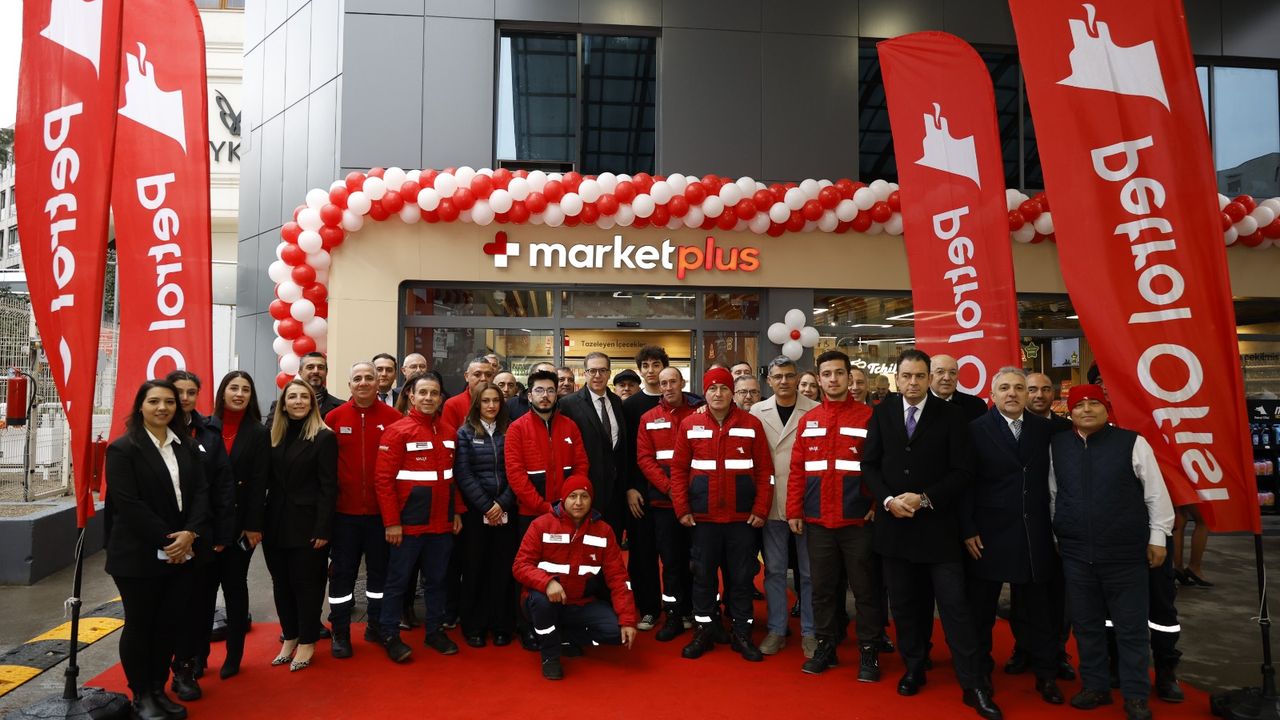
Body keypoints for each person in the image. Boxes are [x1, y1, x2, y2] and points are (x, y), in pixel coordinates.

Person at [862, 349, 999, 720]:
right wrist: (888, 500)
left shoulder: (951, 416)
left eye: (919, 376)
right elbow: (869, 464)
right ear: (897, 378)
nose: (913, 383)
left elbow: (963, 471)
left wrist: (924, 498)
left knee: (955, 607)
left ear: (929, 378)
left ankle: (974, 683)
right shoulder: (883, 412)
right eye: (906, 376)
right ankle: (914, 666)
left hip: (939, 530)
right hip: (895, 527)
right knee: (906, 606)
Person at [1049, 385, 1174, 720]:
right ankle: (1095, 686)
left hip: (1125, 553)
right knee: (1086, 625)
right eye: (1079, 405)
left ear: (1106, 408)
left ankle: (1136, 695)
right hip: (1076, 553)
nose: (1087, 410)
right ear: (1070, 412)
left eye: (1094, 403)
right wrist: (1058, 533)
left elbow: (1155, 493)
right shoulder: (1058, 445)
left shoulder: (1132, 443)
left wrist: (1158, 538)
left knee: (1131, 628)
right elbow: (1054, 493)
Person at [105, 380, 210, 720]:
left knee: (168, 624)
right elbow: (129, 505)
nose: (162, 407)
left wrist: (191, 533)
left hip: (182, 552)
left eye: (169, 401)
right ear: (140, 406)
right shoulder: (123, 449)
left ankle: (157, 689)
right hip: (137, 555)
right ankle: (141, 695)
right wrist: (170, 542)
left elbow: (201, 494)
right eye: (154, 401)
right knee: (141, 624)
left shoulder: (186, 446)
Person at [961, 368, 1064, 705]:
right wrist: (967, 528)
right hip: (986, 534)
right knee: (980, 611)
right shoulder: (975, 430)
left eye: (1019, 388)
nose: (1012, 393)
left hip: (1034, 532)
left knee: (1040, 610)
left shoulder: (1047, 429)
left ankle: (1046, 674)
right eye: (1004, 387)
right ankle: (979, 676)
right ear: (992, 394)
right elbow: (965, 484)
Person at [787, 350, 885, 680]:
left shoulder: (869, 418)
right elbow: (798, 469)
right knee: (822, 589)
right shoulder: (808, 420)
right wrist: (794, 510)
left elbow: (880, 468)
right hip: (818, 521)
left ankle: (869, 651)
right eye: (827, 374)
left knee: (866, 590)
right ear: (818, 379)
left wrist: (875, 506)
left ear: (849, 377)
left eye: (839, 373)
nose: (833, 379)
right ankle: (826, 646)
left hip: (858, 521)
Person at [670, 367, 773, 663]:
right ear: (704, 393)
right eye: (712, 389)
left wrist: (760, 509)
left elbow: (765, 471)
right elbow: (678, 470)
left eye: (724, 388)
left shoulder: (752, 424)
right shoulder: (690, 424)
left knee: (742, 578)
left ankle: (742, 633)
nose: (718, 394)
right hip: (702, 519)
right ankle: (704, 630)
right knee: (703, 578)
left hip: (742, 520)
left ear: (733, 393)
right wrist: (682, 508)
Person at [374, 372, 467, 662]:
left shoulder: (450, 432)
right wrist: (392, 522)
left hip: (441, 523)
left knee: (437, 581)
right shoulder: (397, 431)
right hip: (407, 524)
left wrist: (456, 511)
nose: (428, 398)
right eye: (423, 392)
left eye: (434, 393)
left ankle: (434, 631)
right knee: (398, 582)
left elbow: (453, 477)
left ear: (441, 398)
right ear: (411, 396)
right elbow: (383, 481)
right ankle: (389, 634)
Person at [513, 476, 638, 680]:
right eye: (573, 496)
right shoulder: (541, 525)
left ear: (591, 500)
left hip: (581, 604)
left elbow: (618, 578)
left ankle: (562, 637)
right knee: (542, 603)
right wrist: (547, 583)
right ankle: (550, 657)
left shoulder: (604, 531)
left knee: (617, 633)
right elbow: (520, 566)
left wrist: (628, 620)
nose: (578, 502)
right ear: (564, 499)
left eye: (584, 496)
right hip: (546, 601)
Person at [322, 362, 404, 659]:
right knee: (342, 576)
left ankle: (376, 626)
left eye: (370, 377)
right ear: (350, 385)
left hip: (382, 515)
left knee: (379, 576)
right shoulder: (333, 418)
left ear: (378, 382)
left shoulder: (394, 419)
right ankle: (341, 631)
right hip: (344, 515)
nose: (364, 382)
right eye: (358, 378)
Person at [505, 369, 590, 649]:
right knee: (528, 571)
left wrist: (571, 506)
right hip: (532, 516)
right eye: (539, 391)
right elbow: (516, 476)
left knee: (563, 570)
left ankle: (560, 623)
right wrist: (545, 508)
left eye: (550, 390)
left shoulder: (570, 426)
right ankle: (526, 626)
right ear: (529, 395)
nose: (545, 396)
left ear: (557, 395)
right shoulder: (517, 428)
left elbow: (581, 466)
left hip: (568, 516)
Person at [164, 370, 235, 701]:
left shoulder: (208, 433)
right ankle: (155, 672)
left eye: (191, 392)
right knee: (165, 608)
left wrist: (221, 533)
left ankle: (187, 666)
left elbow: (221, 486)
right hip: (162, 537)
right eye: (178, 392)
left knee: (198, 605)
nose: (184, 398)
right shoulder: (151, 432)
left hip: (201, 535)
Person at [264, 378, 338, 673]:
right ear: (283, 404)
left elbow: (328, 488)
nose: (297, 401)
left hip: (308, 526)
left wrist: (323, 529)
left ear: (311, 403)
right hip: (274, 524)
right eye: (292, 397)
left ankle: (307, 640)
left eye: (303, 397)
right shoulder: (273, 435)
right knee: (281, 584)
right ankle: (290, 636)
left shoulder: (324, 437)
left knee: (306, 585)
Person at [1007, 371, 1074, 681]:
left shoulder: (1065, 430)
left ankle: (1057, 652)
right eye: (1032, 389)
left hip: (1058, 522)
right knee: (1022, 592)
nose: (1038, 395)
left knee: (1059, 593)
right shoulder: (1012, 428)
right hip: (1021, 523)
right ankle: (1023, 649)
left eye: (1045, 389)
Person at [751, 356, 818, 658]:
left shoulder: (815, 410)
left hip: (805, 502)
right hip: (771, 502)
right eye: (778, 376)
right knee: (775, 570)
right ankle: (777, 629)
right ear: (769, 380)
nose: (784, 381)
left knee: (809, 572)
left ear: (797, 378)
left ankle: (810, 632)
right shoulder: (756, 411)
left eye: (789, 376)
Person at [207, 371, 270, 680]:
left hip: (241, 526)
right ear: (223, 392)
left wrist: (254, 525)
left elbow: (260, 482)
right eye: (234, 388)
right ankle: (197, 657)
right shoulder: (206, 427)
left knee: (235, 587)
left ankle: (234, 656)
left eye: (246, 389)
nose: (239, 393)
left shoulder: (258, 432)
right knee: (203, 592)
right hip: (207, 524)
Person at [635, 366, 704, 642]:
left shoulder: (699, 413)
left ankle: (698, 613)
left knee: (699, 562)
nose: (667, 387)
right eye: (663, 383)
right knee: (672, 562)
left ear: (682, 382)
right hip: (664, 504)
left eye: (672, 382)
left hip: (698, 503)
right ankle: (674, 614)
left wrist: (687, 491)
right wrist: (670, 489)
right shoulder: (648, 418)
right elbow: (644, 459)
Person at [455, 382, 520, 648]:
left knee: (503, 569)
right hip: (476, 513)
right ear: (477, 404)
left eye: (496, 400)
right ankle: (475, 627)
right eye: (486, 401)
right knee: (475, 569)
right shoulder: (465, 432)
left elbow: (516, 470)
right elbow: (463, 473)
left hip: (507, 510)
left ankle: (502, 626)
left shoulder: (512, 430)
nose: (491, 405)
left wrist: (502, 503)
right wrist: (486, 506)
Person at [621, 346, 673, 633]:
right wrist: (630, 487)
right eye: (646, 366)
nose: (651, 370)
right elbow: (627, 453)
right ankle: (649, 608)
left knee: (675, 554)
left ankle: (679, 607)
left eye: (656, 364)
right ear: (640, 370)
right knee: (642, 555)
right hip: (639, 493)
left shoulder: (681, 400)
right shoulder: (629, 406)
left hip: (672, 493)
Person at [559, 352, 629, 538]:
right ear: (585, 373)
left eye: (603, 370)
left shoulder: (617, 402)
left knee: (611, 541)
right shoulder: (568, 404)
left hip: (616, 490)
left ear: (609, 373)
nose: (597, 375)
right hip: (586, 488)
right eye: (592, 371)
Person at [441, 356, 496, 430]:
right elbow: (447, 434)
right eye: (477, 375)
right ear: (466, 376)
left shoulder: (498, 403)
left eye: (488, 375)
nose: (483, 379)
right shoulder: (453, 404)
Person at [929, 354, 988, 421]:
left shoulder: (976, 405)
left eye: (952, 373)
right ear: (929, 376)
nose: (947, 378)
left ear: (957, 376)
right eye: (940, 372)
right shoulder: (920, 402)